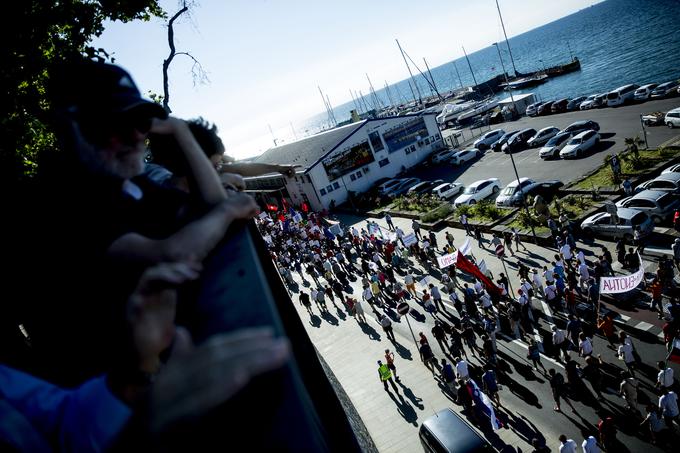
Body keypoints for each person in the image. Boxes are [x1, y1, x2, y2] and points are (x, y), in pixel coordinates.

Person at [15, 59, 261, 386]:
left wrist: (180, 130)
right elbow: (173, 252)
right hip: (111, 396)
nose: (134, 135)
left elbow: (209, 204)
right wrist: (228, 213)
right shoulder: (58, 201)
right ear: (70, 126)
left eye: (140, 121)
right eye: (113, 123)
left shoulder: (125, 182)